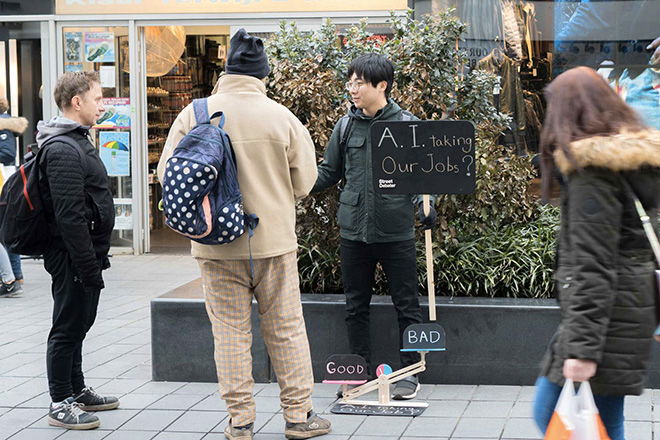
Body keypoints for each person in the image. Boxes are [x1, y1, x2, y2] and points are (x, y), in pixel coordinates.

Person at [158, 29, 331, 440]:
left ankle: (240, 421)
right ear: (262, 75)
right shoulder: (281, 116)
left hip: (215, 246)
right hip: (272, 243)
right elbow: (306, 182)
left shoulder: (193, 114)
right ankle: (299, 416)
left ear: (226, 71)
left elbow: (167, 174)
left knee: (230, 333)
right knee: (286, 327)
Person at [533, 67, 660, 439]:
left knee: (552, 415)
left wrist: (582, 351)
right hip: (626, 310)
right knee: (602, 421)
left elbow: (593, 264)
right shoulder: (632, 161)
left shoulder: (593, 172)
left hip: (606, 319)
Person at [311, 53, 436, 400]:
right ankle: (357, 371)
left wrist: (427, 207)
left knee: (407, 306)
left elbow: (424, 179)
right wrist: (295, 180)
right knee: (355, 307)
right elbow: (328, 173)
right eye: (350, 82)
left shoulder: (407, 124)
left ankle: (409, 372)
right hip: (354, 233)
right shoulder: (345, 126)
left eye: (358, 83)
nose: (352, 89)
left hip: (396, 233)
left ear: (381, 85)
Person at [37, 71, 119, 430]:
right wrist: (87, 265)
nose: (103, 105)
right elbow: (69, 216)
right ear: (77, 101)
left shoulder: (76, 140)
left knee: (80, 325)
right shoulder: (61, 148)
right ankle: (59, 401)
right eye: (98, 98)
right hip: (71, 255)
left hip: (84, 255)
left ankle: (76, 389)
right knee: (67, 327)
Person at [0, 97, 27, 287]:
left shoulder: (3, 124)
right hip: (4, 181)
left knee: (5, 229)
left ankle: (13, 275)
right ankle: (15, 274)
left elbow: (7, 153)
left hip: (3, 181)